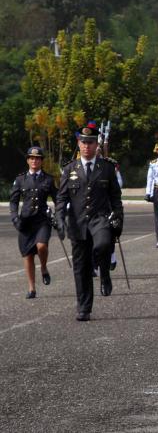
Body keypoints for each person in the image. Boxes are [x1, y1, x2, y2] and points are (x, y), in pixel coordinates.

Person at [55, 122, 123, 321]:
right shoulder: (70, 169)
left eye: (90, 142)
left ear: (96, 145)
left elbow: (116, 198)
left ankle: (104, 273)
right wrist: (59, 218)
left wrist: (118, 219)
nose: (87, 146)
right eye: (83, 142)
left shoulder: (107, 168)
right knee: (81, 268)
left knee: (103, 245)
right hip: (78, 223)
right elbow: (62, 198)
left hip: (100, 219)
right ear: (79, 143)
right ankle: (84, 308)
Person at [10, 146, 57, 298]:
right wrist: (15, 218)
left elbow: (58, 199)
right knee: (28, 255)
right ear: (28, 160)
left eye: (37, 158)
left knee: (41, 246)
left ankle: (43, 267)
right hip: (25, 222)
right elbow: (13, 201)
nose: (34, 161)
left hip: (42, 220)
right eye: (31, 158)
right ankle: (31, 288)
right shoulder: (20, 179)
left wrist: (59, 216)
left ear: (41, 161)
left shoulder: (48, 179)